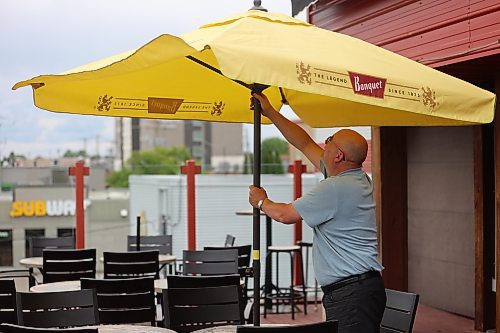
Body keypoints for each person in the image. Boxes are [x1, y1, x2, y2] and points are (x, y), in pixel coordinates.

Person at [248, 92, 386, 333]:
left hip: (352, 293)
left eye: (330, 139)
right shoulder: (356, 178)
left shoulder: (335, 187)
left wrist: (261, 202)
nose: (325, 142)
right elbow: (303, 143)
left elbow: (285, 215)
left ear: (338, 155)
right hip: (357, 289)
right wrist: (270, 112)